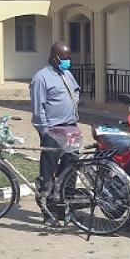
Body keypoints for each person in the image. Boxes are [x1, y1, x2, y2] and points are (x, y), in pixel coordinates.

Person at [30, 41, 81, 221]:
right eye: (64, 58)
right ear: (54, 57)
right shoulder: (41, 77)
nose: (68, 61)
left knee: (71, 169)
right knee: (48, 172)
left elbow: (76, 90)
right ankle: (47, 211)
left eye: (69, 57)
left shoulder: (66, 73)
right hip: (52, 130)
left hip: (71, 128)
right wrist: (44, 131)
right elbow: (38, 108)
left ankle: (66, 209)